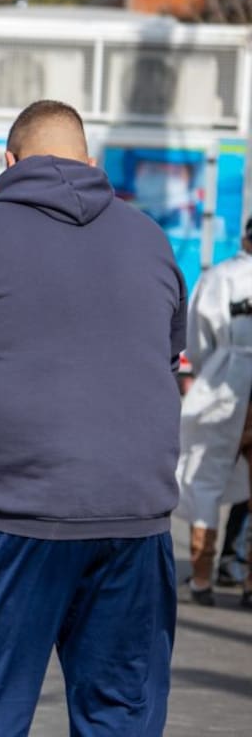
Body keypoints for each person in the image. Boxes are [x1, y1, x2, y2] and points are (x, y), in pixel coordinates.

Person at [0, 100, 185, 735]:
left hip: (11, 515)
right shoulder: (150, 238)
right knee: (122, 717)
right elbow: (166, 355)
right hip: (134, 517)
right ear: (91, 162)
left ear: (8, 162)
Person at [175, 218, 252, 605]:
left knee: (203, 478)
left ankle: (202, 576)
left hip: (225, 382)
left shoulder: (222, 275)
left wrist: (206, 374)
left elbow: (197, 338)